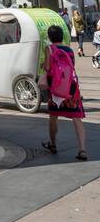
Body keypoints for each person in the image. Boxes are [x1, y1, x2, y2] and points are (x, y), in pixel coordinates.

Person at [42, 24, 87, 161]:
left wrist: (43, 65)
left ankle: (53, 144)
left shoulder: (49, 48)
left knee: (53, 116)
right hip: (70, 87)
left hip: (55, 88)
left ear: (50, 37)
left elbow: (48, 67)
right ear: (62, 36)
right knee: (77, 118)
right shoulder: (69, 49)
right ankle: (82, 149)